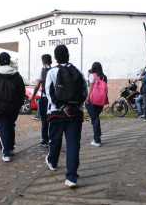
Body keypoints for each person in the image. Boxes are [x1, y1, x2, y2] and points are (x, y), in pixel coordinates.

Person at [45, 45, 87, 188]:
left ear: (55, 57)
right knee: (73, 145)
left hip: (56, 114)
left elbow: (49, 93)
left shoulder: (52, 72)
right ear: (68, 55)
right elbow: (84, 93)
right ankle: (72, 178)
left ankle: (52, 162)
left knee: (55, 141)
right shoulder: (78, 72)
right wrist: (73, 107)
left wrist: (63, 107)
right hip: (75, 114)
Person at [0, 52, 25, 162]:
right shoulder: (16, 75)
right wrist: (19, 104)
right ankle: (10, 147)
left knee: (3, 129)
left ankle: (6, 152)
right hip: (13, 107)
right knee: (10, 126)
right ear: (9, 60)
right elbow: (21, 91)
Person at [29, 54, 52, 147]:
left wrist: (32, 96)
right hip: (54, 99)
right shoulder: (54, 70)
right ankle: (52, 138)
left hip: (44, 97)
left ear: (43, 62)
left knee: (44, 120)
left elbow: (37, 85)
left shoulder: (41, 71)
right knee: (52, 119)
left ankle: (45, 140)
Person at [85, 62, 108, 147]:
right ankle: (97, 135)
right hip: (101, 100)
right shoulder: (104, 77)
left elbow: (91, 87)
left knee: (94, 119)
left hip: (92, 100)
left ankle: (97, 139)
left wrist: (88, 98)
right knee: (96, 118)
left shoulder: (92, 75)